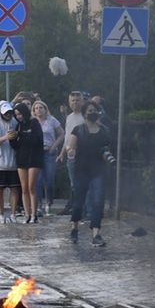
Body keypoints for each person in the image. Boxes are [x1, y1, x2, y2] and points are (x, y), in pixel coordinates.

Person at [67, 104, 113, 247]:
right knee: (79, 202)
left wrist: (107, 156)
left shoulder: (104, 131)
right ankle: (74, 228)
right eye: (90, 111)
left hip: (98, 170)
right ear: (85, 113)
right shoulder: (78, 129)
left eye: (95, 111)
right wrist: (70, 151)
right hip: (82, 170)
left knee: (98, 202)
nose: (93, 113)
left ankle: (96, 233)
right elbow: (71, 145)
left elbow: (107, 148)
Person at [15, 101, 45, 225]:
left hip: (34, 158)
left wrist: (22, 136)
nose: (19, 117)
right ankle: (27, 214)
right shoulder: (18, 126)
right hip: (21, 158)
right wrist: (13, 137)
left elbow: (37, 140)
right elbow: (16, 144)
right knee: (24, 188)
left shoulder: (34, 122)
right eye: (16, 115)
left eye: (20, 114)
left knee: (31, 187)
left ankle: (34, 214)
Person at [0, 101, 20, 223]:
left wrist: (16, 134)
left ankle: (13, 214)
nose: (8, 114)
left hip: (13, 162)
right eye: (5, 113)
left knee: (14, 189)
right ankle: (1, 215)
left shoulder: (15, 122)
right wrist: (5, 137)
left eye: (10, 112)